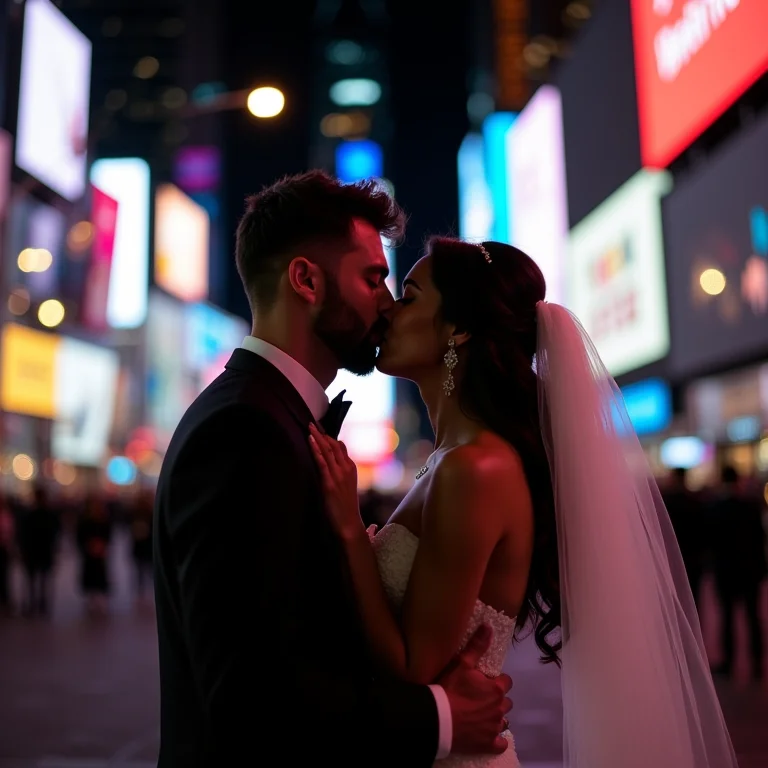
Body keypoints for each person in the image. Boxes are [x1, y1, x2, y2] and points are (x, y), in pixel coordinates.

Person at [309, 237, 740, 768]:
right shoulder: (451, 458)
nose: (388, 309)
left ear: (459, 329)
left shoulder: (475, 469)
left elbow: (415, 664)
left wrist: (351, 533)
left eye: (410, 295)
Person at [152, 173, 512, 767]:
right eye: (373, 278)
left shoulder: (273, 418)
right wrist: (442, 718)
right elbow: (250, 701)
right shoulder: (245, 431)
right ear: (305, 279)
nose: (389, 302)